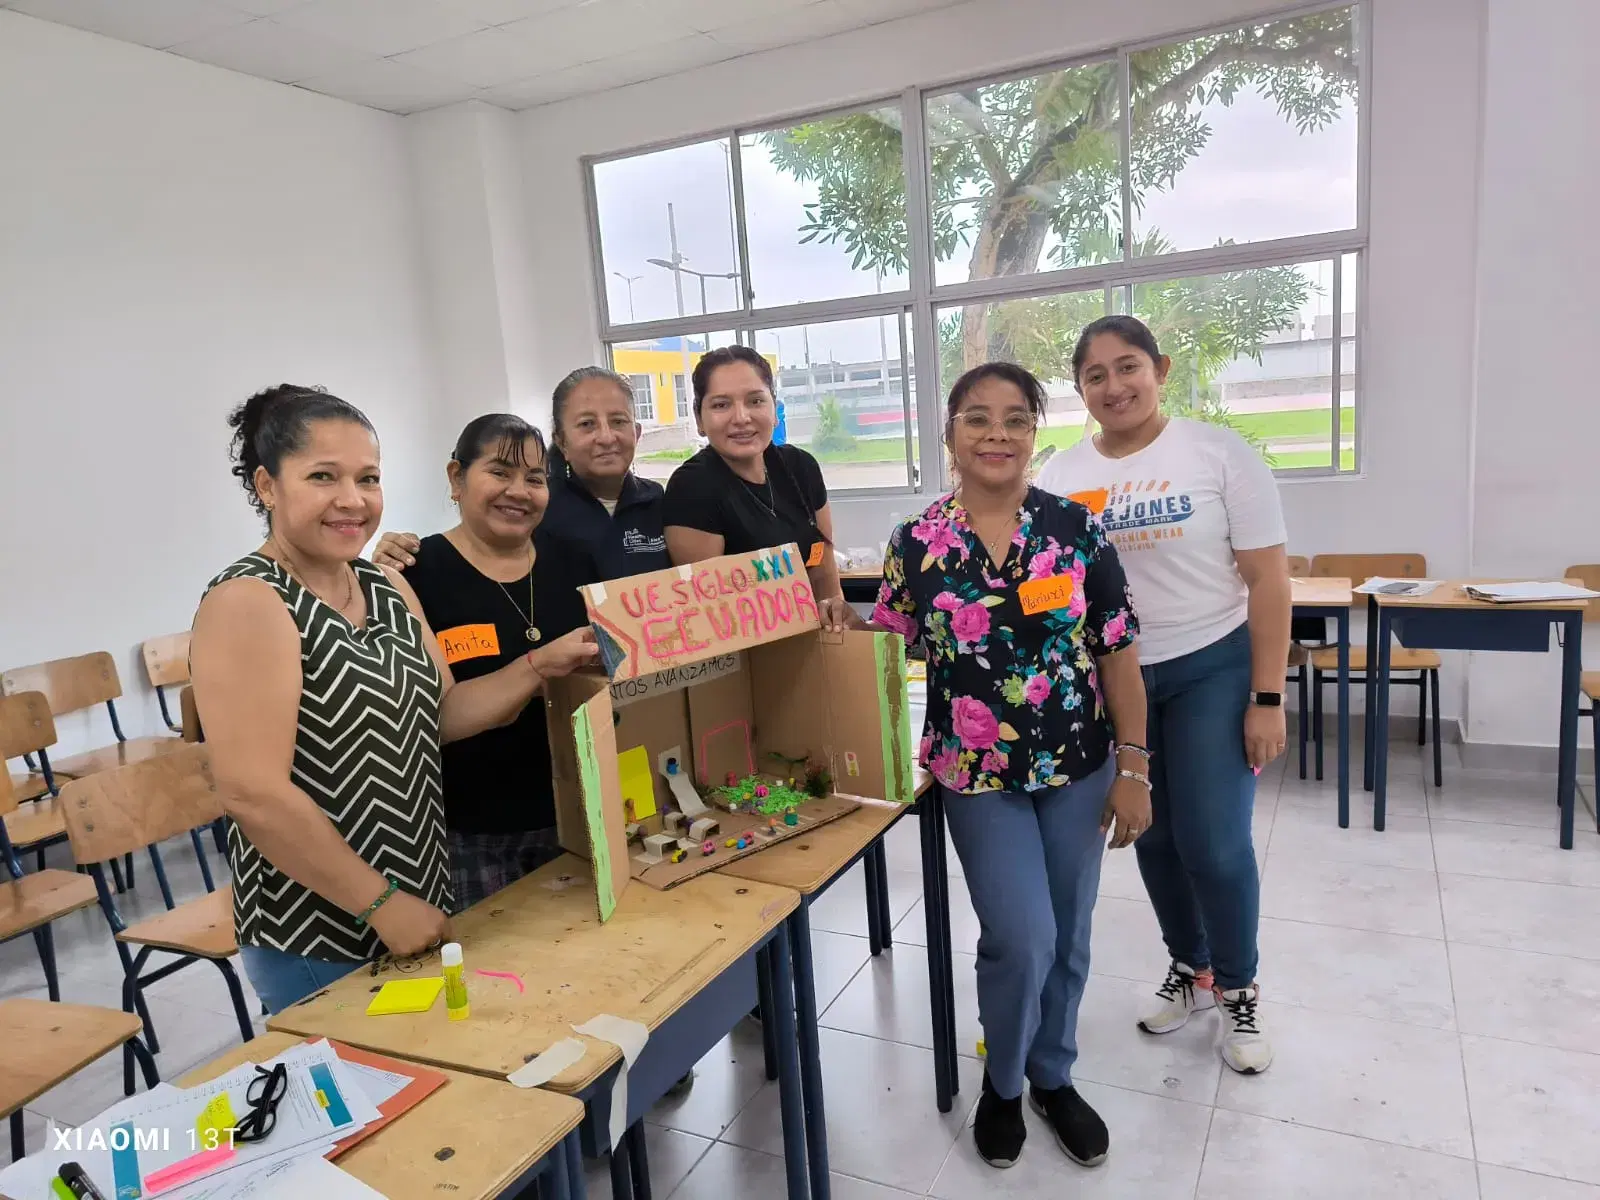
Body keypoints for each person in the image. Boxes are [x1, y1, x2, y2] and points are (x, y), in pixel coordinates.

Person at [832, 362, 1151, 1171]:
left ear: (1034, 433)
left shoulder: (1075, 530)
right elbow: (892, 646)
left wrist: (1135, 768)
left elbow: (1118, 655)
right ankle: (1002, 1085)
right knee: (1020, 934)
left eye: (1014, 418)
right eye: (977, 418)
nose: (997, 433)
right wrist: (830, 628)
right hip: (974, 773)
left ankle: (1054, 1075)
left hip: (1079, 763)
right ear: (950, 434)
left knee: (1068, 934)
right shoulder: (918, 541)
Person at [190, 385, 594, 1015]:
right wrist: (379, 903)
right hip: (320, 927)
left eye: (368, 478)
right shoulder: (250, 601)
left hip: (421, 896)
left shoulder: (384, 586)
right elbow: (251, 793)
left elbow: (443, 716)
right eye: (323, 477)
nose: (352, 500)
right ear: (268, 486)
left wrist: (541, 665)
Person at [1035, 315, 1291, 1076]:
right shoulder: (1058, 473)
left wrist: (1267, 698)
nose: (1114, 386)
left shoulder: (1217, 453)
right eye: (1095, 375)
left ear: (1161, 369)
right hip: (1116, 678)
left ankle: (1240, 987)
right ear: (1079, 389)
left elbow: (1269, 580)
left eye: (1128, 367)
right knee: (1153, 834)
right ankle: (1193, 967)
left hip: (1212, 663)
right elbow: (1054, 587)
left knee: (1213, 841)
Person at [386, 414, 601, 909]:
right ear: (456, 478)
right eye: (500, 472)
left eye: (535, 478)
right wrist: (538, 666)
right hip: (472, 832)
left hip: (578, 809)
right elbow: (434, 719)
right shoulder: (415, 575)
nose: (518, 491)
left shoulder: (575, 562)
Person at [375, 368, 667, 582]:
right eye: (587, 424)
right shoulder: (533, 507)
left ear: (636, 433)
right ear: (562, 441)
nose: (606, 437)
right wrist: (399, 554)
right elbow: (472, 550)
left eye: (618, 421)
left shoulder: (661, 502)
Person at [661, 345, 846, 612]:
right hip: (745, 648)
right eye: (721, 405)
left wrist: (838, 630)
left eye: (755, 401)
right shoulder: (691, 488)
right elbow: (709, 613)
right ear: (699, 419)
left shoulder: (800, 467)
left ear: (774, 410)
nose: (741, 418)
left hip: (810, 640)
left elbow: (823, 571)